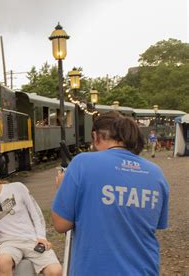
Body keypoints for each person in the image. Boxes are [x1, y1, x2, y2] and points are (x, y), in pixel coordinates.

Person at [52, 112, 169, 275]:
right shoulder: (156, 173)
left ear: (95, 136)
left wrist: (62, 188)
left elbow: (61, 224)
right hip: (145, 269)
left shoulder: (82, 163)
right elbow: (155, 224)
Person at [0, 163, 62, 276]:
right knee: (3, 261)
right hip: (7, 243)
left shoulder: (17, 187)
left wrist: (41, 237)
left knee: (55, 271)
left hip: (30, 239)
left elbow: (35, 213)